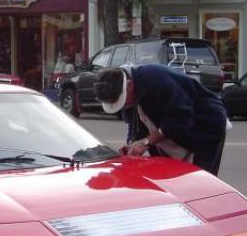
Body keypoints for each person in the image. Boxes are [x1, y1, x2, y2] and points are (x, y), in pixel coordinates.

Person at [94, 64, 227, 176]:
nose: (125, 105)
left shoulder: (156, 79)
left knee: (198, 179)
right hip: (172, 131)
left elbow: (180, 118)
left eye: (123, 101)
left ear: (129, 85)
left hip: (204, 126)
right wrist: (132, 144)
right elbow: (136, 125)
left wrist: (146, 142)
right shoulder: (125, 91)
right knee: (169, 177)